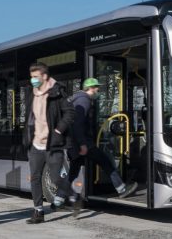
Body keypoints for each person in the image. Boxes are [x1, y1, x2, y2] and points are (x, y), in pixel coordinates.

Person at [68, 78, 138, 215]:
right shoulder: (84, 100)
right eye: (96, 88)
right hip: (84, 143)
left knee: (73, 171)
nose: (98, 91)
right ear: (90, 88)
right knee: (105, 161)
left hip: (75, 143)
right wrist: (83, 143)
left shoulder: (77, 99)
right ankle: (121, 188)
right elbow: (78, 124)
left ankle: (67, 198)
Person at [23, 62, 75, 224]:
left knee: (54, 178)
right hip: (36, 144)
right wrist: (27, 139)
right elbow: (30, 118)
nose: (33, 80)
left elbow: (70, 113)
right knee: (35, 178)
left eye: (35, 77)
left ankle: (73, 195)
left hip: (53, 144)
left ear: (44, 76)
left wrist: (59, 130)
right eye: (31, 77)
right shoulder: (31, 93)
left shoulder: (57, 92)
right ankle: (38, 211)